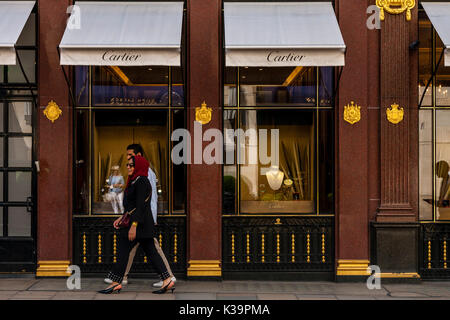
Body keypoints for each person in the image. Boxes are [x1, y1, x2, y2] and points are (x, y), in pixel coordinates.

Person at [98, 156, 175, 294]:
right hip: (140, 223)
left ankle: (116, 282)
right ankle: (167, 280)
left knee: (123, 249)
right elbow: (132, 206)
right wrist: (122, 217)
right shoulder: (135, 180)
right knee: (151, 251)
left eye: (131, 165)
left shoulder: (142, 182)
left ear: (138, 166)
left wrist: (133, 226)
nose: (128, 167)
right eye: (128, 165)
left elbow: (141, 206)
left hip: (139, 224)